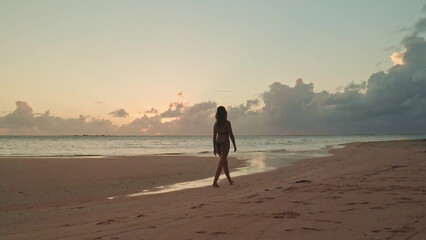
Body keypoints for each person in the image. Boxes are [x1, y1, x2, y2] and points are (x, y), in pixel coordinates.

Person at [212, 106, 237, 187]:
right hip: (225, 145)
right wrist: (234, 145)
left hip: (218, 144)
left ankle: (230, 181)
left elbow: (214, 137)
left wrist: (214, 148)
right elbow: (231, 135)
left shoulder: (216, 124)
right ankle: (215, 182)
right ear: (225, 113)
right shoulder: (227, 123)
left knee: (224, 163)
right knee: (221, 164)